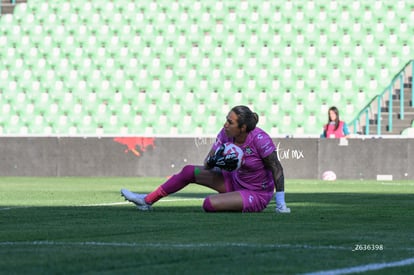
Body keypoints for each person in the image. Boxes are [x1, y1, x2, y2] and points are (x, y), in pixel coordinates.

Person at [121, 105, 290, 213]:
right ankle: (146, 200)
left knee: (209, 204)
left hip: (256, 193)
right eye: (226, 120)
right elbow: (207, 164)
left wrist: (280, 203)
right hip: (233, 180)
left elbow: (276, 168)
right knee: (189, 171)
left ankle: (242, 201)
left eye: (230, 122)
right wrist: (217, 160)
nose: (225, 124)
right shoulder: (226, 134)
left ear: (243, 127)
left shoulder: (260, 140)